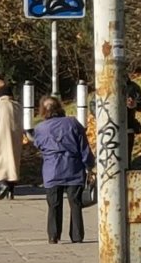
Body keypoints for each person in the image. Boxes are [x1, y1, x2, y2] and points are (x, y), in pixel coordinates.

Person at [33, 96, 95, 244]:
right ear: (60, 107)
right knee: (75, 202)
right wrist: (89, 166)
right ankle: (77, 235)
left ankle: (53, 235)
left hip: (52, 169)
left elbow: (38, 145)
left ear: (43, 110)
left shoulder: (40, 128)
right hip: (73, 167)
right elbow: (84, 147)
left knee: (54, 204)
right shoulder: (73, 123)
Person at [125, 74, 141, 164]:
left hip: (128, 129)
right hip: (110, 129)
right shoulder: (106, 84)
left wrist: (135, 104)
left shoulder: (133, 87)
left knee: (126, 160)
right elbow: (93, 104)